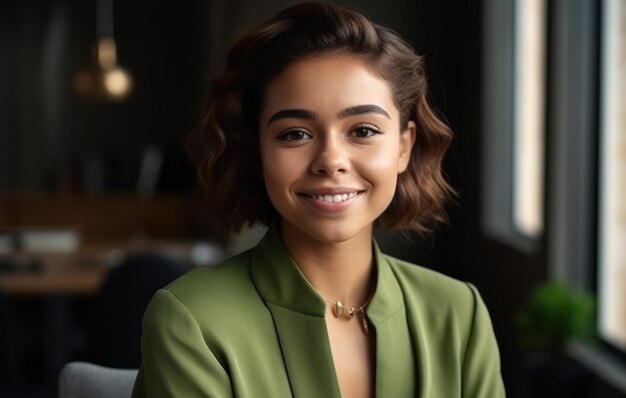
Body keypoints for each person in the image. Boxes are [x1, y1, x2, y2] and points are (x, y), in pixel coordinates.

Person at [132, 2, 505, 397]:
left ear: (403, 147)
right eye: (295, 134)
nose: (331, 161)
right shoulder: (192, 320)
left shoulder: (459, 313)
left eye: (362, 130)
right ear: (257, 151)